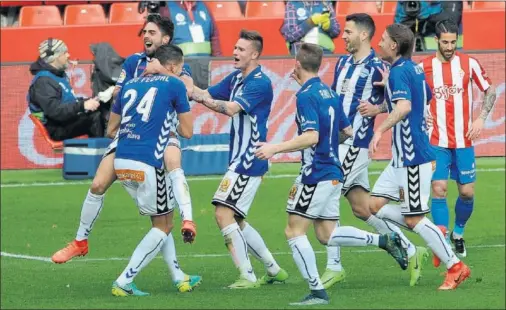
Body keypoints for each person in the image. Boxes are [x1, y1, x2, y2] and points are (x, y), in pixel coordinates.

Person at [51, 15, 202, 293]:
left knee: (171, 169)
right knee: (99, 185)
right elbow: (121, 92)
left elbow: (188, 90)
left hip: (163, 132)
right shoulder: (134, 61)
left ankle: (185, 230)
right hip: (130, 134)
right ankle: (81, 241)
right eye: (144, 31)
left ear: (165, 39)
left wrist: (162, 71)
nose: (146, 35)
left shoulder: (178, 64)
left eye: (152, 32)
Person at [255, 43, 407, 306]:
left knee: (294, 232)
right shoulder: (329, 92)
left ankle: (317, 292)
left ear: (297, 64)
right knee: (326, 234)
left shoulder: (305, 96)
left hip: (315, 174)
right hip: (334, 171)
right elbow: (346, 132)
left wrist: (275, 148)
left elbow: (312, 135)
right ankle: (384, 238)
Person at [325, 13, 428, 289]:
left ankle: (334, 266)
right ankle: (409, 249)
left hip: (356, 145)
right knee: (361, 207)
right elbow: (336, 99)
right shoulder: (342, 63)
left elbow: (400, 100)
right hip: (338, 144)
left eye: (347, 32)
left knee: (326, 196)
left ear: (363, 35)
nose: (343, 36)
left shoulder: (379, 67)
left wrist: (378, 110)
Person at [368, 23, 470, 290]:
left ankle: (455, 267)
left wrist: (380, 128)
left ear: (394, 45)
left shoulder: (400, 72)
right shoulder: (411, 69)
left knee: (413, 219)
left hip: (412, 157)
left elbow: (405, 106)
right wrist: (386, 96)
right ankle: (434, 234)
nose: (378, 43)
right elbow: (421, 99)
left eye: (383, 39)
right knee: (374, 206)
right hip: (401, 158)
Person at [189, 29, 288, 288]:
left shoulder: (259, 83)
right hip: (240, 159)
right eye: (234, 47)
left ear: (255, 54)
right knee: (237, 219)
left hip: (249, 160)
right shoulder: (235, 79)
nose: (234, 52)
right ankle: (273, 268)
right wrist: (183, 81)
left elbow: (230, 109)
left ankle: (247, 275)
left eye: (241, 49)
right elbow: (206, 93)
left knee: (223, 214)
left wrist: (198, 95)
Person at [110, 44, 193, 296]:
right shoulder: (175, 85)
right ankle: (125, 279)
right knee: (164, 225)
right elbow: (187, 132)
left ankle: (178, 275)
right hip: (149, 162)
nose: (180, 74)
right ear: (172, 67)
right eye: (179, 69)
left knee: (161, 218)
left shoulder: (130, 84)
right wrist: (168, 124)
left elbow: (110, 128)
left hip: (122, 161)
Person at [420, 20, 496, 261]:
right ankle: (441, 239)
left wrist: (481, 118)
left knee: (466, 193)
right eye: (445, 42)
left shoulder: (469, 63)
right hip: (437, 140)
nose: (450, 46)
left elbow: (490, 90)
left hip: (464, 140)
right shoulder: (423, 68)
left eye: (454, 42)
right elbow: (412, 96)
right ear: (436, 41)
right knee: (439, 189)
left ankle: (458, 233)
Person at [27, 38, 104, 141]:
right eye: (65, 53)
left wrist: (91, 100)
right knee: (95, 117)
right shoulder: (43, 81)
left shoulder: (57, 75)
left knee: (102, 107)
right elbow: (55, 111)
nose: (68, 55)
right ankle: (103, 153)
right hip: (57, 128)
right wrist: (82, 105)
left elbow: (68, 102)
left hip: (65, 121)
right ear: (54, 57)